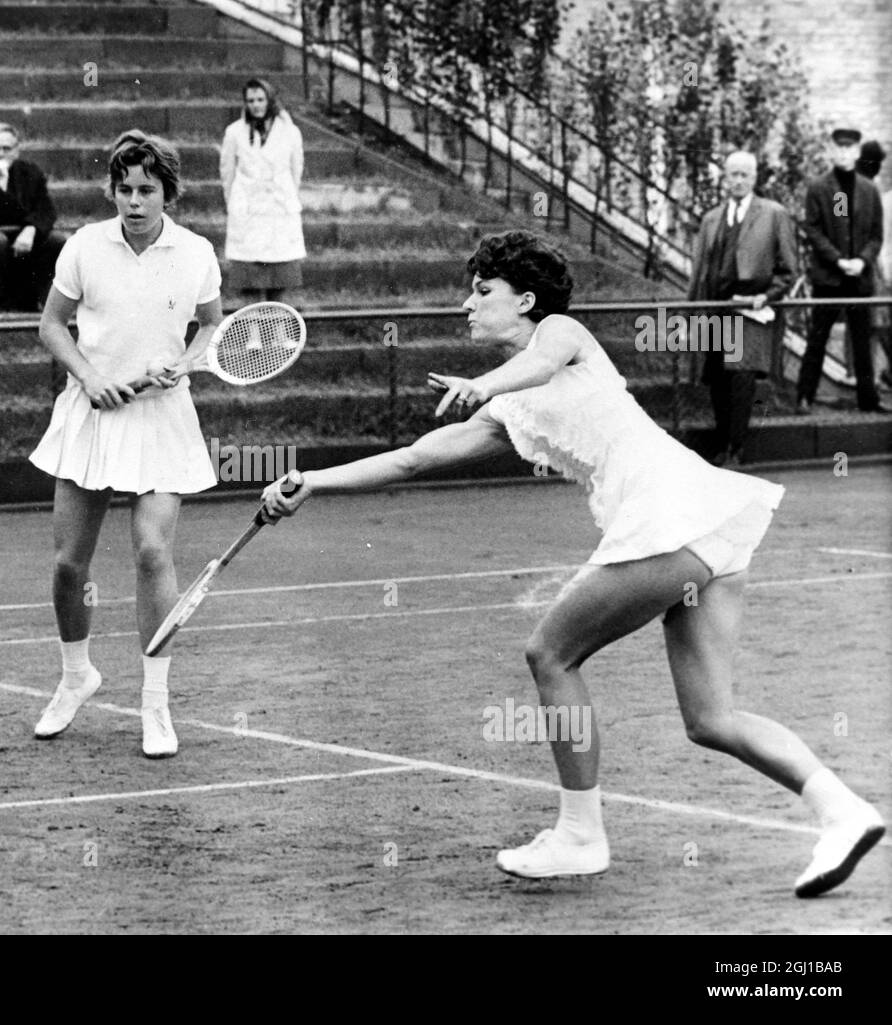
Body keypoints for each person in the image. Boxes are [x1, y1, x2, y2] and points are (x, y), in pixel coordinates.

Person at [260, 230, 885, 898]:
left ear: (526, 299)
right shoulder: (509, 406)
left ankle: (580, 835)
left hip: (670, 518)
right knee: (711, 719)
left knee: (550, 652)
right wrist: (315, 481)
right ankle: (844, 809)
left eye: (483, 291)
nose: (467, 304)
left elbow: (537, 361)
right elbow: (417, 456)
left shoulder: (560, 331)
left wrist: (483, 382)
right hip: (707, 526)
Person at [28, 130, 223, 759]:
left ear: (168, 192)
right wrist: (90, 377)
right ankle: (76, 675)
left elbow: (213, 325)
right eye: (124, 189)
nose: (134, 202)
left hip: (162, 418)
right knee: (67, 566)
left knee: (150, 553)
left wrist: (186, 363)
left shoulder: (195, 252)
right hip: (90, 415)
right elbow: (52, 325)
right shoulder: (85, 245)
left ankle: (156, 704)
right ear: (112, 190)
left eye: (147, 190)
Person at [687, 151, 799, 466]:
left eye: (744, 175)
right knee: (719, 378)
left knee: (741, 377)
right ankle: (723, 444)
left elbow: (789, 268)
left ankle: (736, 448)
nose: (737, 181)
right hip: (716, 310)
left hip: (749, 310)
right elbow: (699, 271)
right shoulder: (712, 218)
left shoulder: (774, 214)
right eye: (732, 174)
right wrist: (694, 312)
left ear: (754, 178)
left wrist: (768, 295)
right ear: (724, 178)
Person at [796, 129, 886, 414]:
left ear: (857, 152)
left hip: (859, 278)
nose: (844, 154)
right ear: (830, 151)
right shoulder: (819, 187)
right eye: (839, 148)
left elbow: (876, 235)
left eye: (850, 149)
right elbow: (812, 228)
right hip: (830, 278)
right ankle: (804, 397)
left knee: (862, 341)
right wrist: (837, 260)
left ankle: (868, 400)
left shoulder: (869, 190)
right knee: (818, 338)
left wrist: (862, 260)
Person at [0, 122, 62, 312]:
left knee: (58, 240)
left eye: (6, 148)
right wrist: (1, 183)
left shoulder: (31, 173)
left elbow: (46, 210)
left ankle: (44, 299)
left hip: (24, 233)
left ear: (16, 151)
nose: (0, 154)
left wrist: (31, 229)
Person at [220, 77, 306, 303]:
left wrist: (284, 195)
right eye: (251, 100)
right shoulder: (235, 132)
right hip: (249, 211)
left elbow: (296, 170)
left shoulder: (290, 132)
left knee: (279, 277)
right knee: (250, 277)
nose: (256, 105)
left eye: (260, 99)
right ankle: (254, 335)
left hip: (278, 211)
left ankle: (277, 332)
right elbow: (227, 172)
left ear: (270, 100)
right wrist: (237, 202)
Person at [855, 139, 892, 389]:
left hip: (869, 263)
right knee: (874, 322)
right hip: (868, 264)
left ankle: (866, 377)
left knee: (874, 322)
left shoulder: (876, 191)